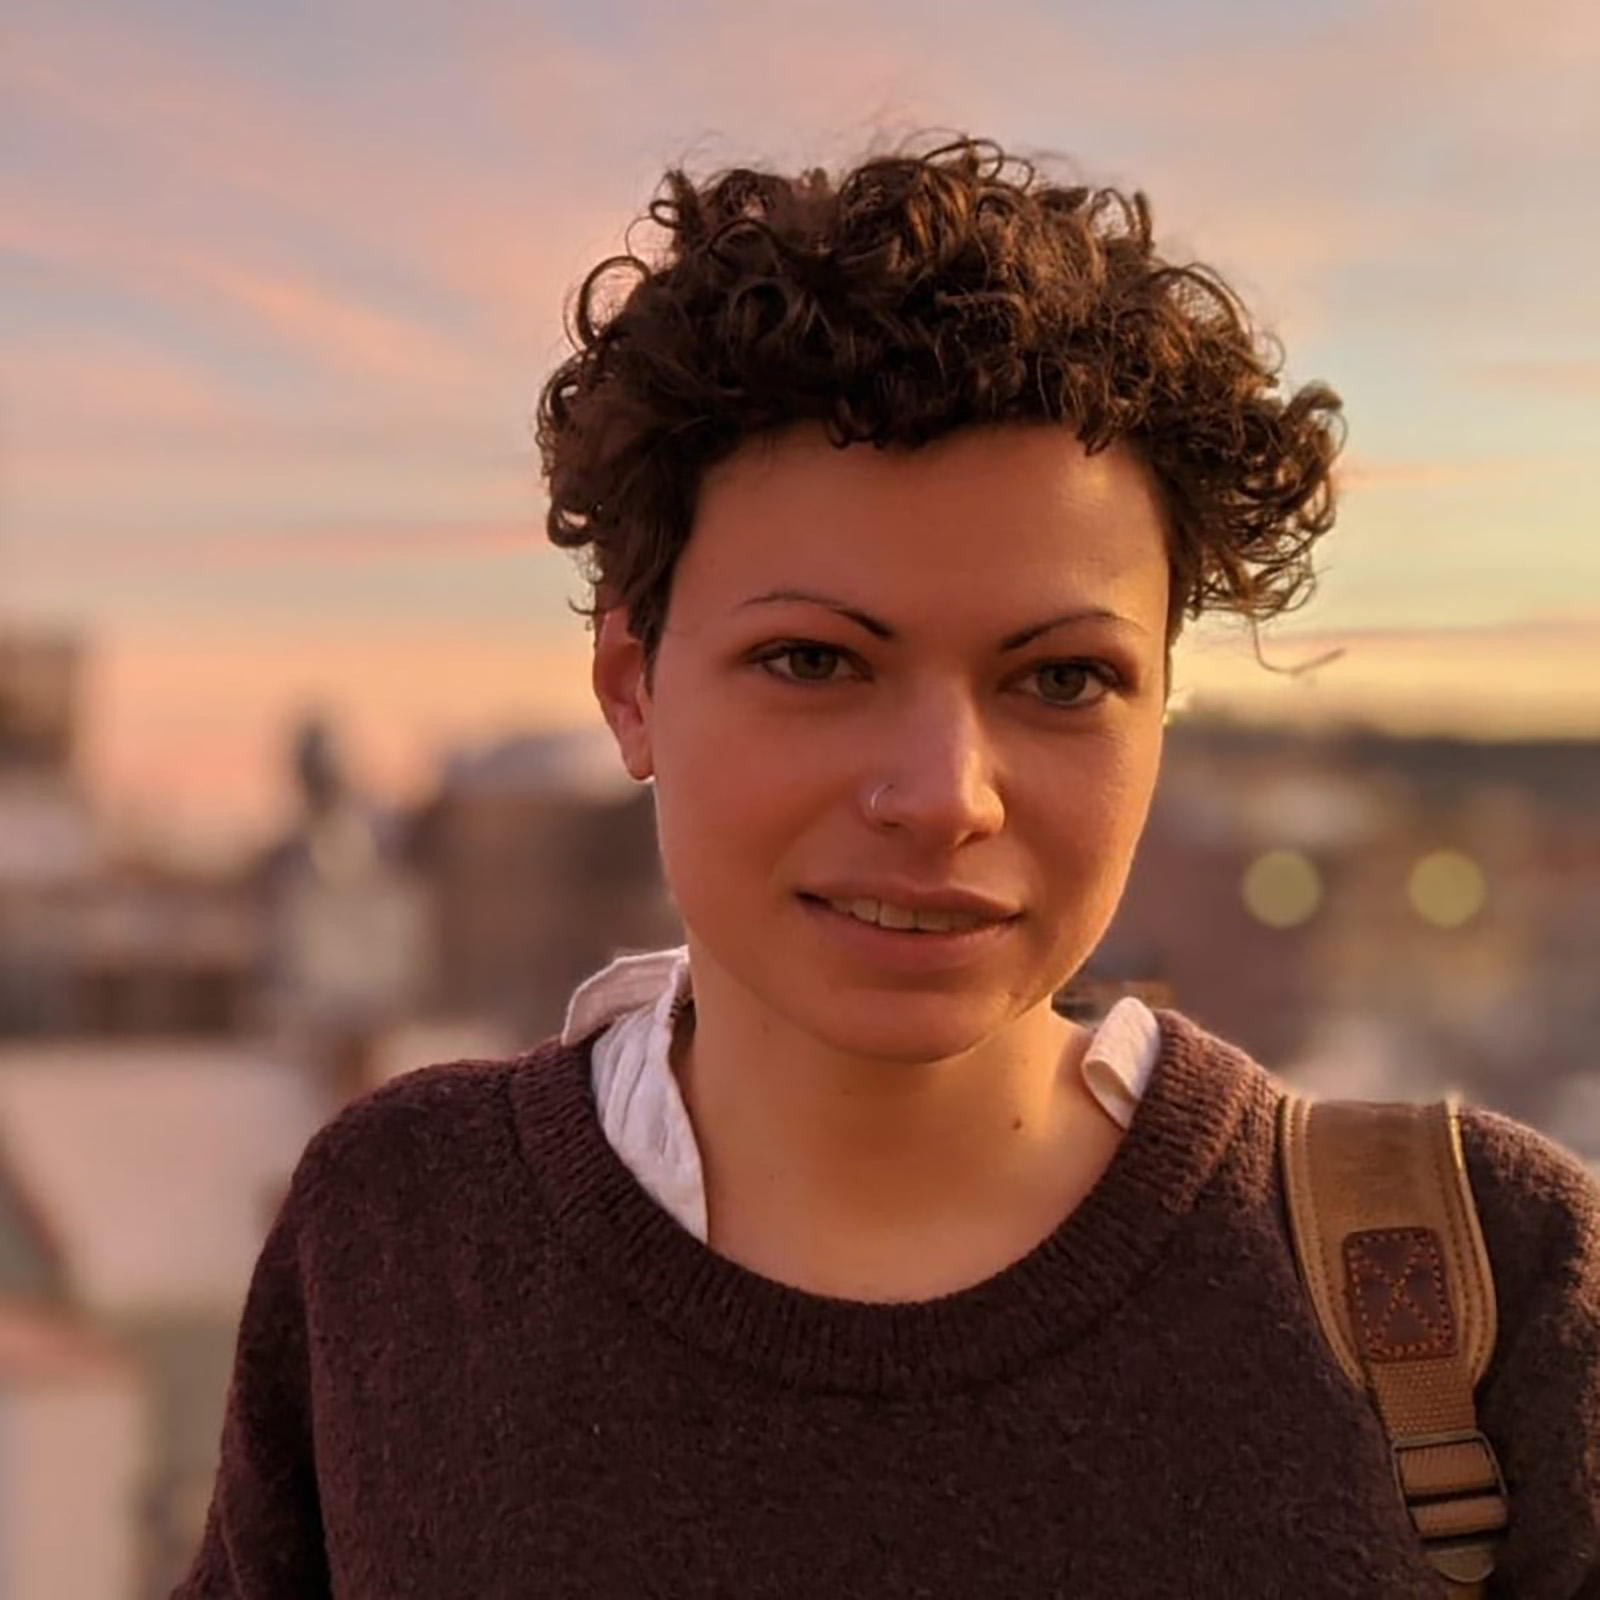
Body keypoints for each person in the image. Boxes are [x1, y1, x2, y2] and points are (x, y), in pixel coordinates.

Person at [174, 136, 1599, 1598]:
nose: (942, 798)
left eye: (1059, 681)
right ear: (630, 684)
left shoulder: (1476, 1284)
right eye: (813, 659)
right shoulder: (405, 1236)